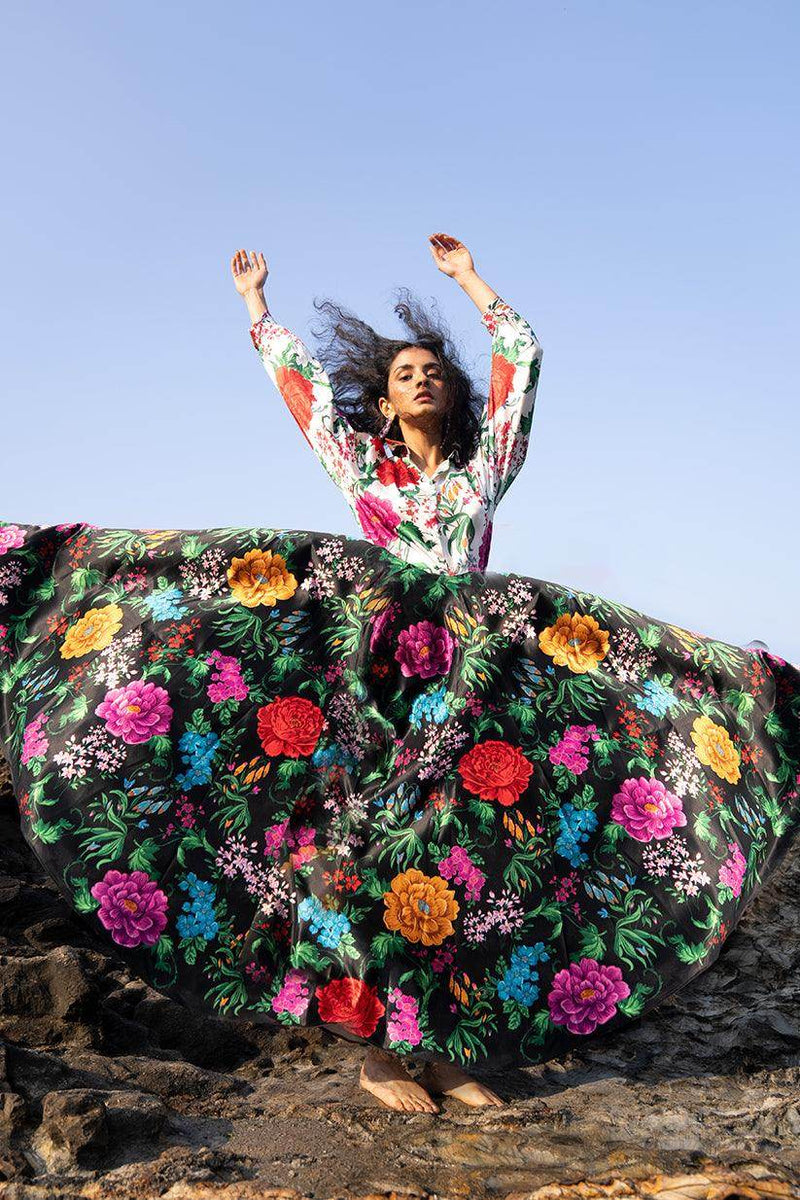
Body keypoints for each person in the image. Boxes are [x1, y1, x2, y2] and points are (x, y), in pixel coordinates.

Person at [231, 232, 535, 1110]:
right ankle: (374, 1053)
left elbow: (522, 358)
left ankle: (437, 1046)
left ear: (453, 392)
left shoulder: (483, 472)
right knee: (360, 851)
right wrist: (257, 307)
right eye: (405, 374)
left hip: (465, 686)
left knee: (458, 858)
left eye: (434, 372)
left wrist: (470, 279)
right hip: (375, 686)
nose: (422, 380)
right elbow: (305, 396)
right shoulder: (363, 464)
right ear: (386, 400)